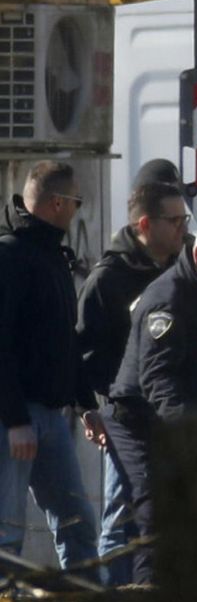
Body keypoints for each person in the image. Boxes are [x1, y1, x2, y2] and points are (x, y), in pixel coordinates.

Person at [76, 170, 188, 584]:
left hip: (170, 410)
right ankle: (113, 598)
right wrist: (104, 403)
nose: (182, 229)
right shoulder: (109, 279)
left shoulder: (182, 271)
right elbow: (87, 351)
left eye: (185, 221)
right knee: (120, 511)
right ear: (145, 225)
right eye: (174, 221)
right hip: (126, 414)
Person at [101, 234, 197, 584]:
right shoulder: (168, 300)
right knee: (154, 516)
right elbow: (158, 380)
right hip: (137, 421)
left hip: (171, 419)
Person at [0, 160, 98, 571]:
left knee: (76, 522)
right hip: (15, 419)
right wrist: (15, 419)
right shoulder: (10, 256)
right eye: (76, 201)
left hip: (51, 417)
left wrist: (85, 404)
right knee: (7, 530)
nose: (77, 209)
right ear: (58, 203)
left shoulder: (52, 256)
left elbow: (64, 340)